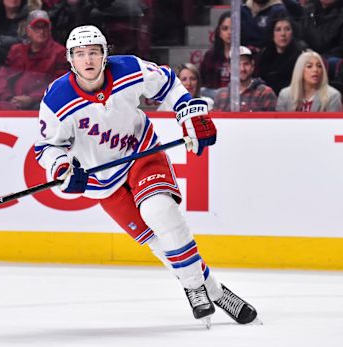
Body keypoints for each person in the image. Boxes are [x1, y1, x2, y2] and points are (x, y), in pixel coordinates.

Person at [34, 25, 258, 326]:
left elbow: (167, 84)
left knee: (161, 212)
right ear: (70, 60)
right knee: (157, 241)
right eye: (80, 54)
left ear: (105, 55)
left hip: (141, 153)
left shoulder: (127, 69)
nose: (87, 60)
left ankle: (193, 287)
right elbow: (47, 146)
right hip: (103, 183)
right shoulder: (57, 99)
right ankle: (214, 290)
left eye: (94, 52)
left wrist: (190, 113)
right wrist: (62, 167)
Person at [0, 9, 68, 109]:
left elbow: (59, 85)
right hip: (13, 103)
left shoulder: (60, 53)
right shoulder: (16, 51)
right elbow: (2, 78)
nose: (41, 32)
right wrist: (9, 98)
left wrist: (33, 99)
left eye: (45, 27)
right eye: (37, 28)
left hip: (43, 105)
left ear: (50, 29)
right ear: (28, 30)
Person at [213, 46, 277, 111]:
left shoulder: (265, 93)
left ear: (252, 67)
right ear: (229, 68)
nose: (242, 69)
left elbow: (273, 120)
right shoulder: (221, 94)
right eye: (237, 64)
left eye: (246, 64)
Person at [255, 15, 305, 96]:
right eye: (278, 30)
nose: (283, 34)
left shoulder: (300, 56)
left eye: (287, 29)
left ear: (292, 33)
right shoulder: (263, 55)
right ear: (272, 34)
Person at [276, 50, 342, 111]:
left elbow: (334, 123)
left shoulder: (333, 96)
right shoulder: (285, 95)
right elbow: (279, 123)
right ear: (300, 70)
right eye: (309, 66)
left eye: (319, 66)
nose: (315, 70)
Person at [300, 0, 343, 80]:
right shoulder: (308, 9)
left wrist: (318, 58)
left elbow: (341, 48)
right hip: (308, 54)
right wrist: (305, 49)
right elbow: (299, 36)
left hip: (331, 60)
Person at [199, 11, 231, 99]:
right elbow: (202, 80)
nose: (229, 32)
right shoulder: (210, 56)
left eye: (233, 28)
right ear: (219, 32)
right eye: (225, 28)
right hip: (214, 98)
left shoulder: (248, 53)